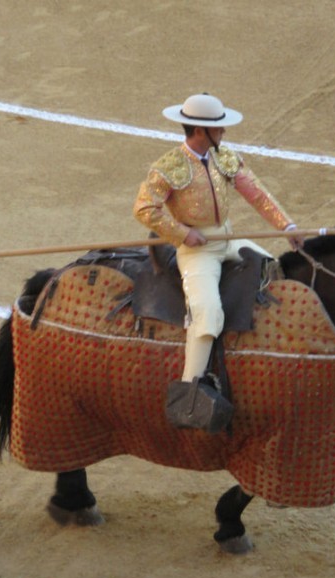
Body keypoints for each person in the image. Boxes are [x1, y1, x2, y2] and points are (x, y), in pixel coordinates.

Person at [133, 93, 303, 405]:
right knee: (208, 315)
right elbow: (144, 209)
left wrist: (287, 226)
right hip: (199, 251)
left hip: (228, 240)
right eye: (219, 128)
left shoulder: (224, 157)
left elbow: (257, 194)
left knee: (274, 267)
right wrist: (183, 233)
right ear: (200, 131)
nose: (224, 132)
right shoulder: (168, 167)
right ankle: (190, 394)